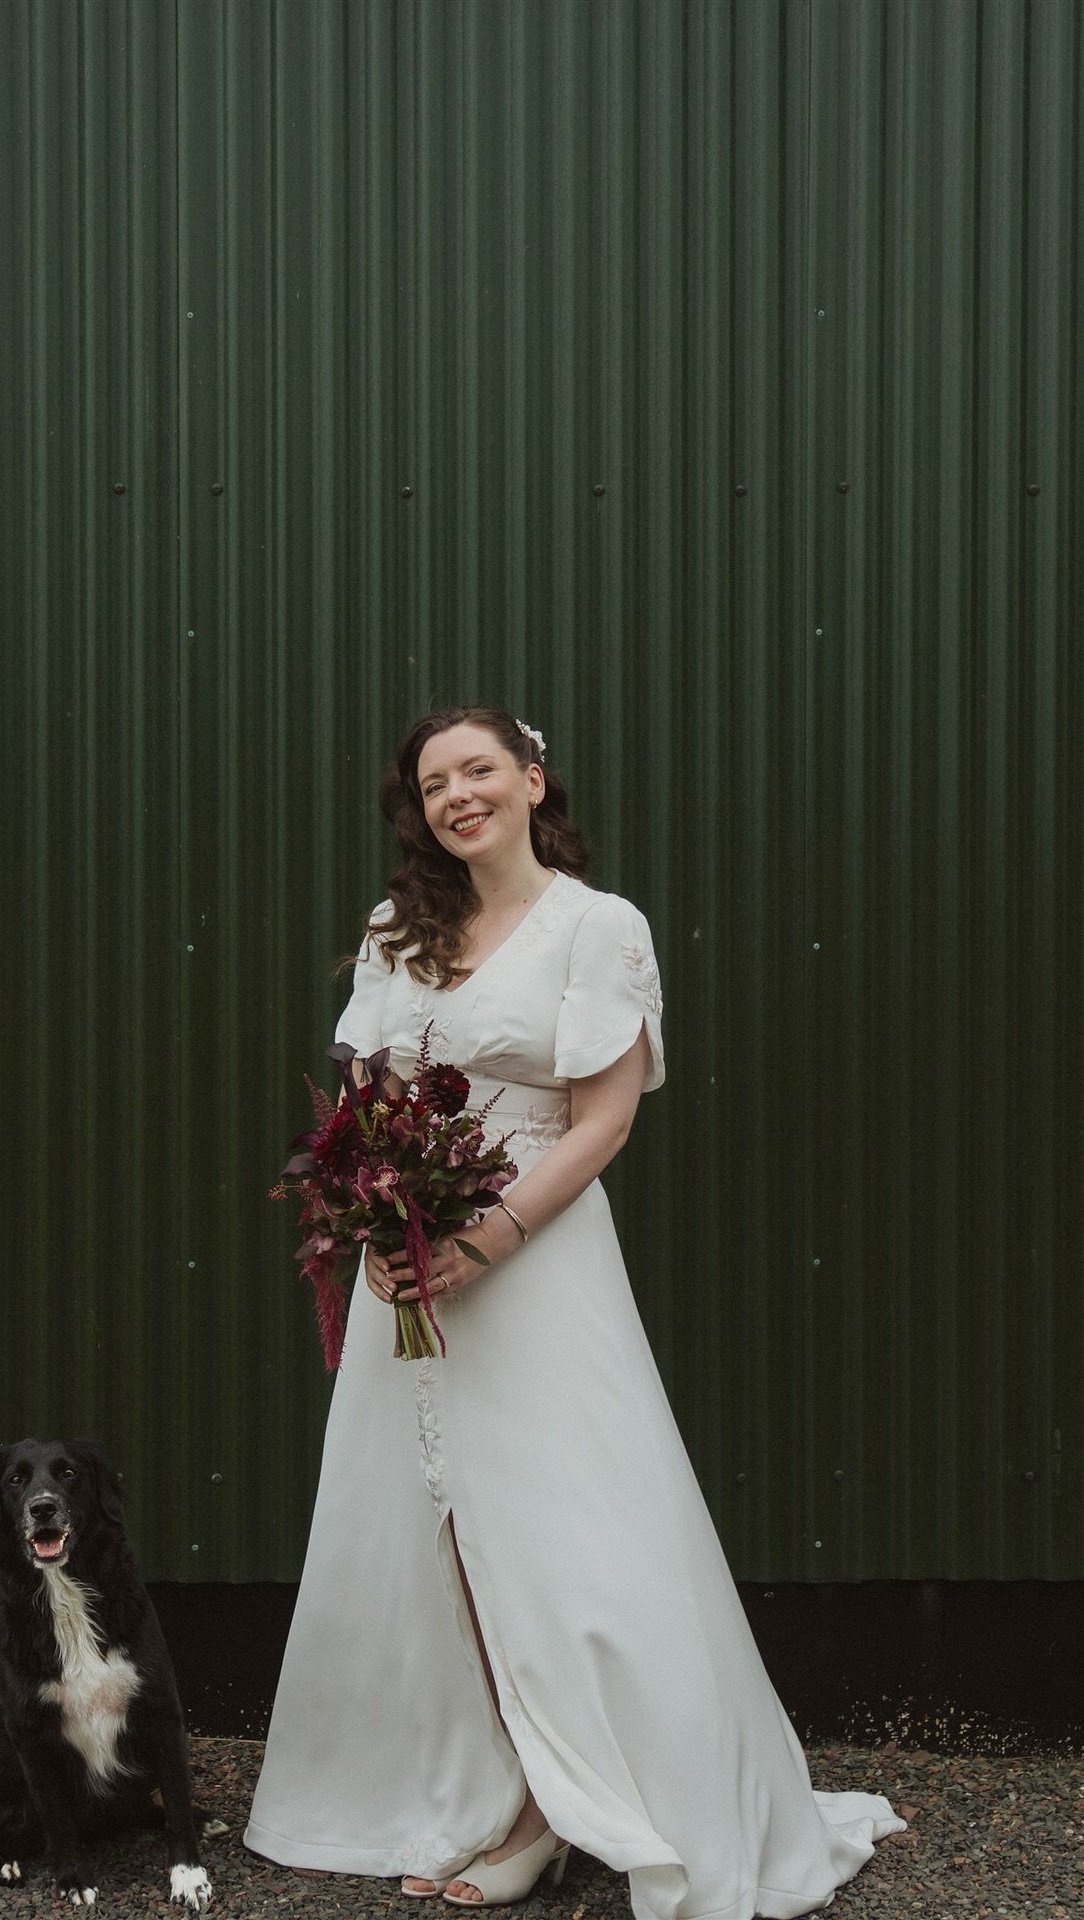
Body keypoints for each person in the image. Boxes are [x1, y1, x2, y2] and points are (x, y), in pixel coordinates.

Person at [245, 707, 904, 1916]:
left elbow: (603, 1122)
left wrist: (486, 1239)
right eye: (435, 783)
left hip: (534, 1255)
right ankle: (485, 1780)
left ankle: (560, 1805)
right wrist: (372, 1217)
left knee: (562, 1524)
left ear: (533, 781)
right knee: (430, 1522)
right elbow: (363, 1096)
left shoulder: (599, 928)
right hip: (412, 1255)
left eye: (480, 770)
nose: (458, 796)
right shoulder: (398, 931)